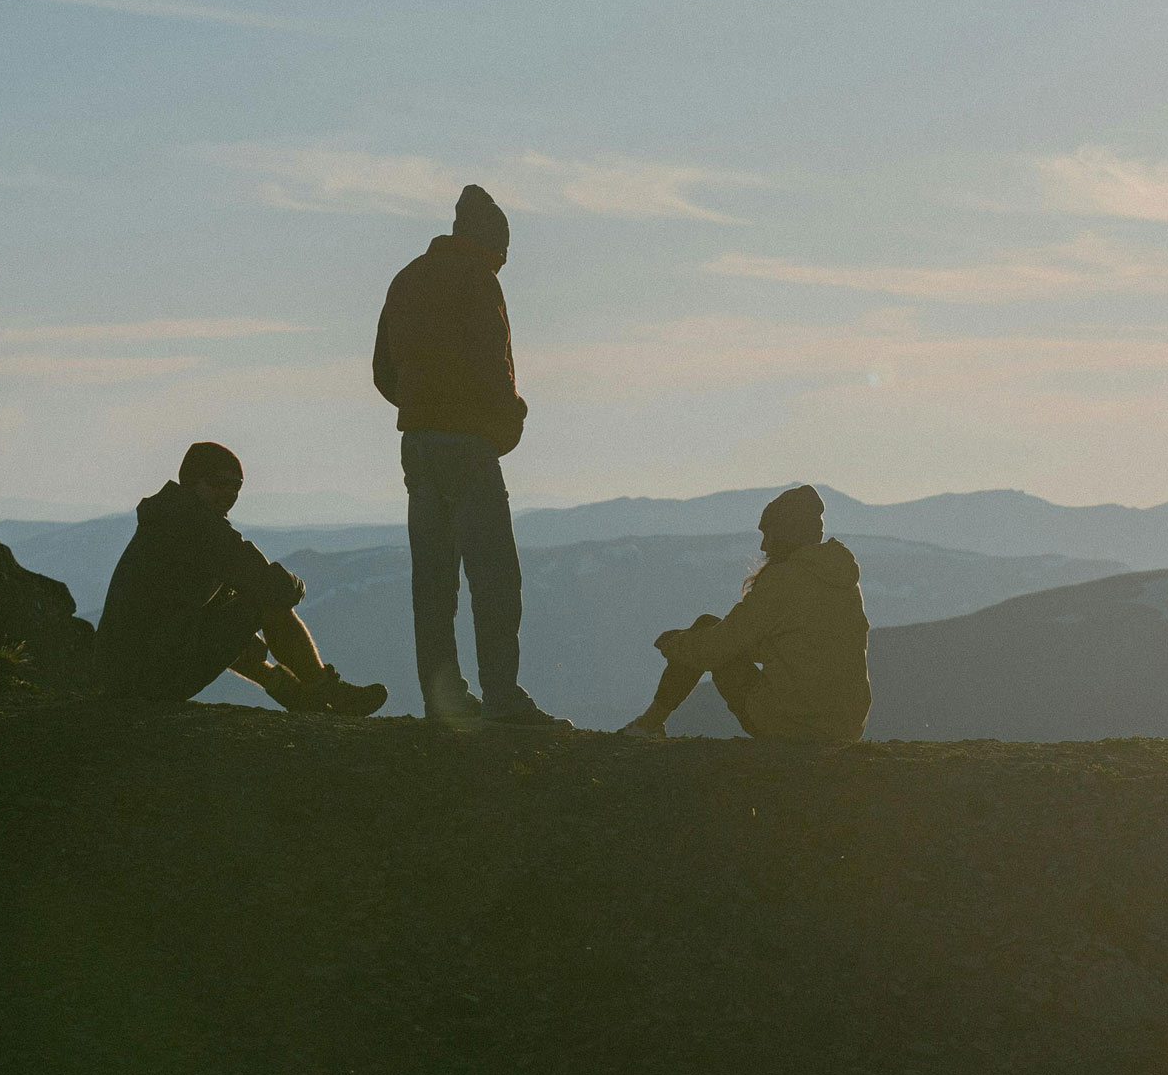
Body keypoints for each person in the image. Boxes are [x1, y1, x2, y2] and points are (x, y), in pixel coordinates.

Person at [373, 183, 569, 728]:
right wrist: (508, 421)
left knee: (433, 581)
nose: (504, 264)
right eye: (503, 254)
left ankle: (443, 699)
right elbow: (494, 364)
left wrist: (421, 404)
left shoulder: (407, 278)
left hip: (418, 444)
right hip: (467, 445)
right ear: (490, 243)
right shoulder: (477, 281)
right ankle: (502, 696)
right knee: (494, 576)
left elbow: (383, 372)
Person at [95, 440, 387, 714]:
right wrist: (296, 585)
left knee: (237, 609)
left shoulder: (169, 518)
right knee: (264, 603)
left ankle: (291, 691)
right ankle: (325, 690)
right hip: (150, 678)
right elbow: (275, 588)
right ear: (193, 482)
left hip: (122, 674)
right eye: (218, 483)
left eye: (236, 485)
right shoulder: (199, 528)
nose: (229, 493)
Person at [618, 485, 870, 742]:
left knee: (707, 627)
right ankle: (648, 725)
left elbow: (717, 647)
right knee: (707, 637)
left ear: (786, 534)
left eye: (768, 534)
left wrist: (676, 644)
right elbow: (801, 648)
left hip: (794, 724)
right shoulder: (844, 581)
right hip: (844, 728)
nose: (763, 545)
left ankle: (647, 725)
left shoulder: (784, 580)